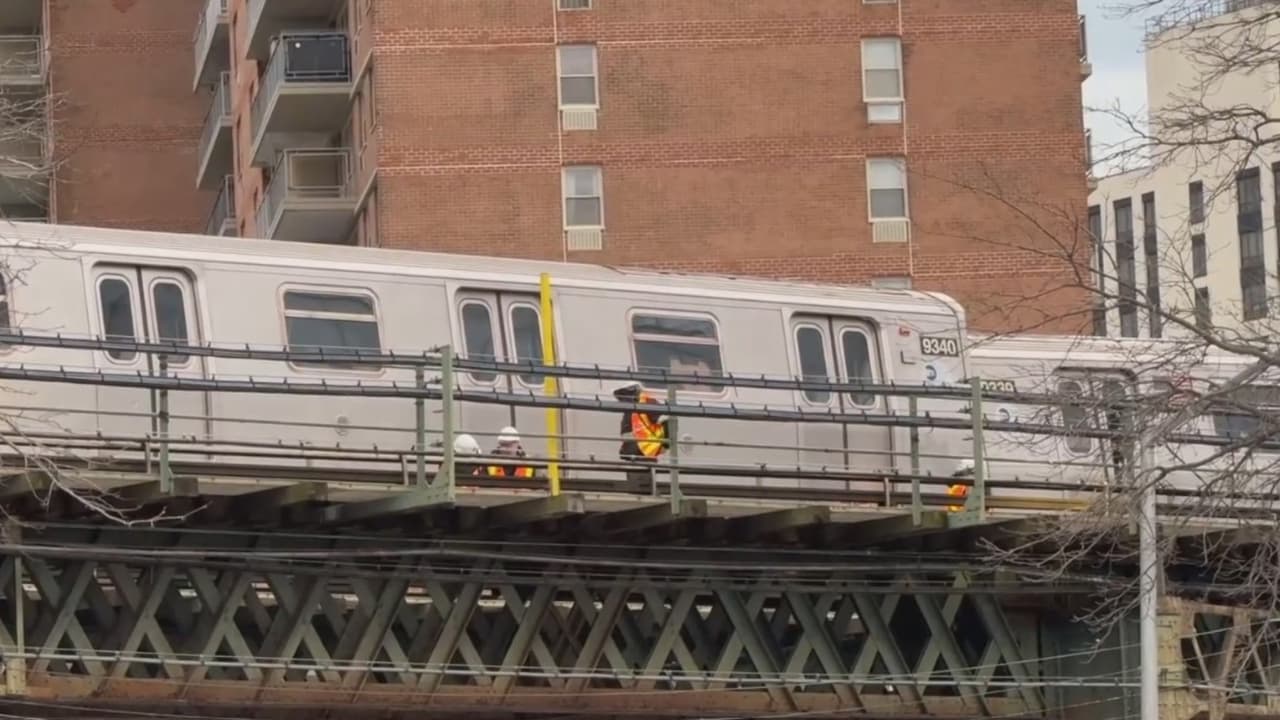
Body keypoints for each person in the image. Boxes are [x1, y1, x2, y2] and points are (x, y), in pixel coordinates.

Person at [613, 382, 669, 489]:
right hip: (633, 453)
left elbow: (664, 421)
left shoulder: (647, 404)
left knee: (642, 485)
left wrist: (663, 446)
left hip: (642, 453)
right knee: (636, 484)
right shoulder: (632, 409)